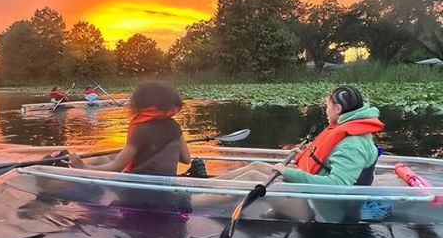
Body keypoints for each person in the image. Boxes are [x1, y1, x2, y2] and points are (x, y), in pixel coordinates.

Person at [219, 85, 384, 186]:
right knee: (256, 166)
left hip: (323, 207)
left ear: (338, 109)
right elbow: (329, 162)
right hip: (314, 192)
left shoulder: (353, 144)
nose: (326, 111)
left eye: (327, 106)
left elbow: (337, 184)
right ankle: (208, 185)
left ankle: (195, 203)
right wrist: (307, 155)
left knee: (252, 177)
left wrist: (289, 173)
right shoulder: (349, 131)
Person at [70, 81, 191, 175]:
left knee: (99, 161)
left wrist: (83, 167)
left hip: (138, 189)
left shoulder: (140, 128)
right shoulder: (175, 126)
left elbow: (116, 167)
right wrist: (161, 149)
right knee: (109, 157)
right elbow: (186, 159)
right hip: (168, 186)